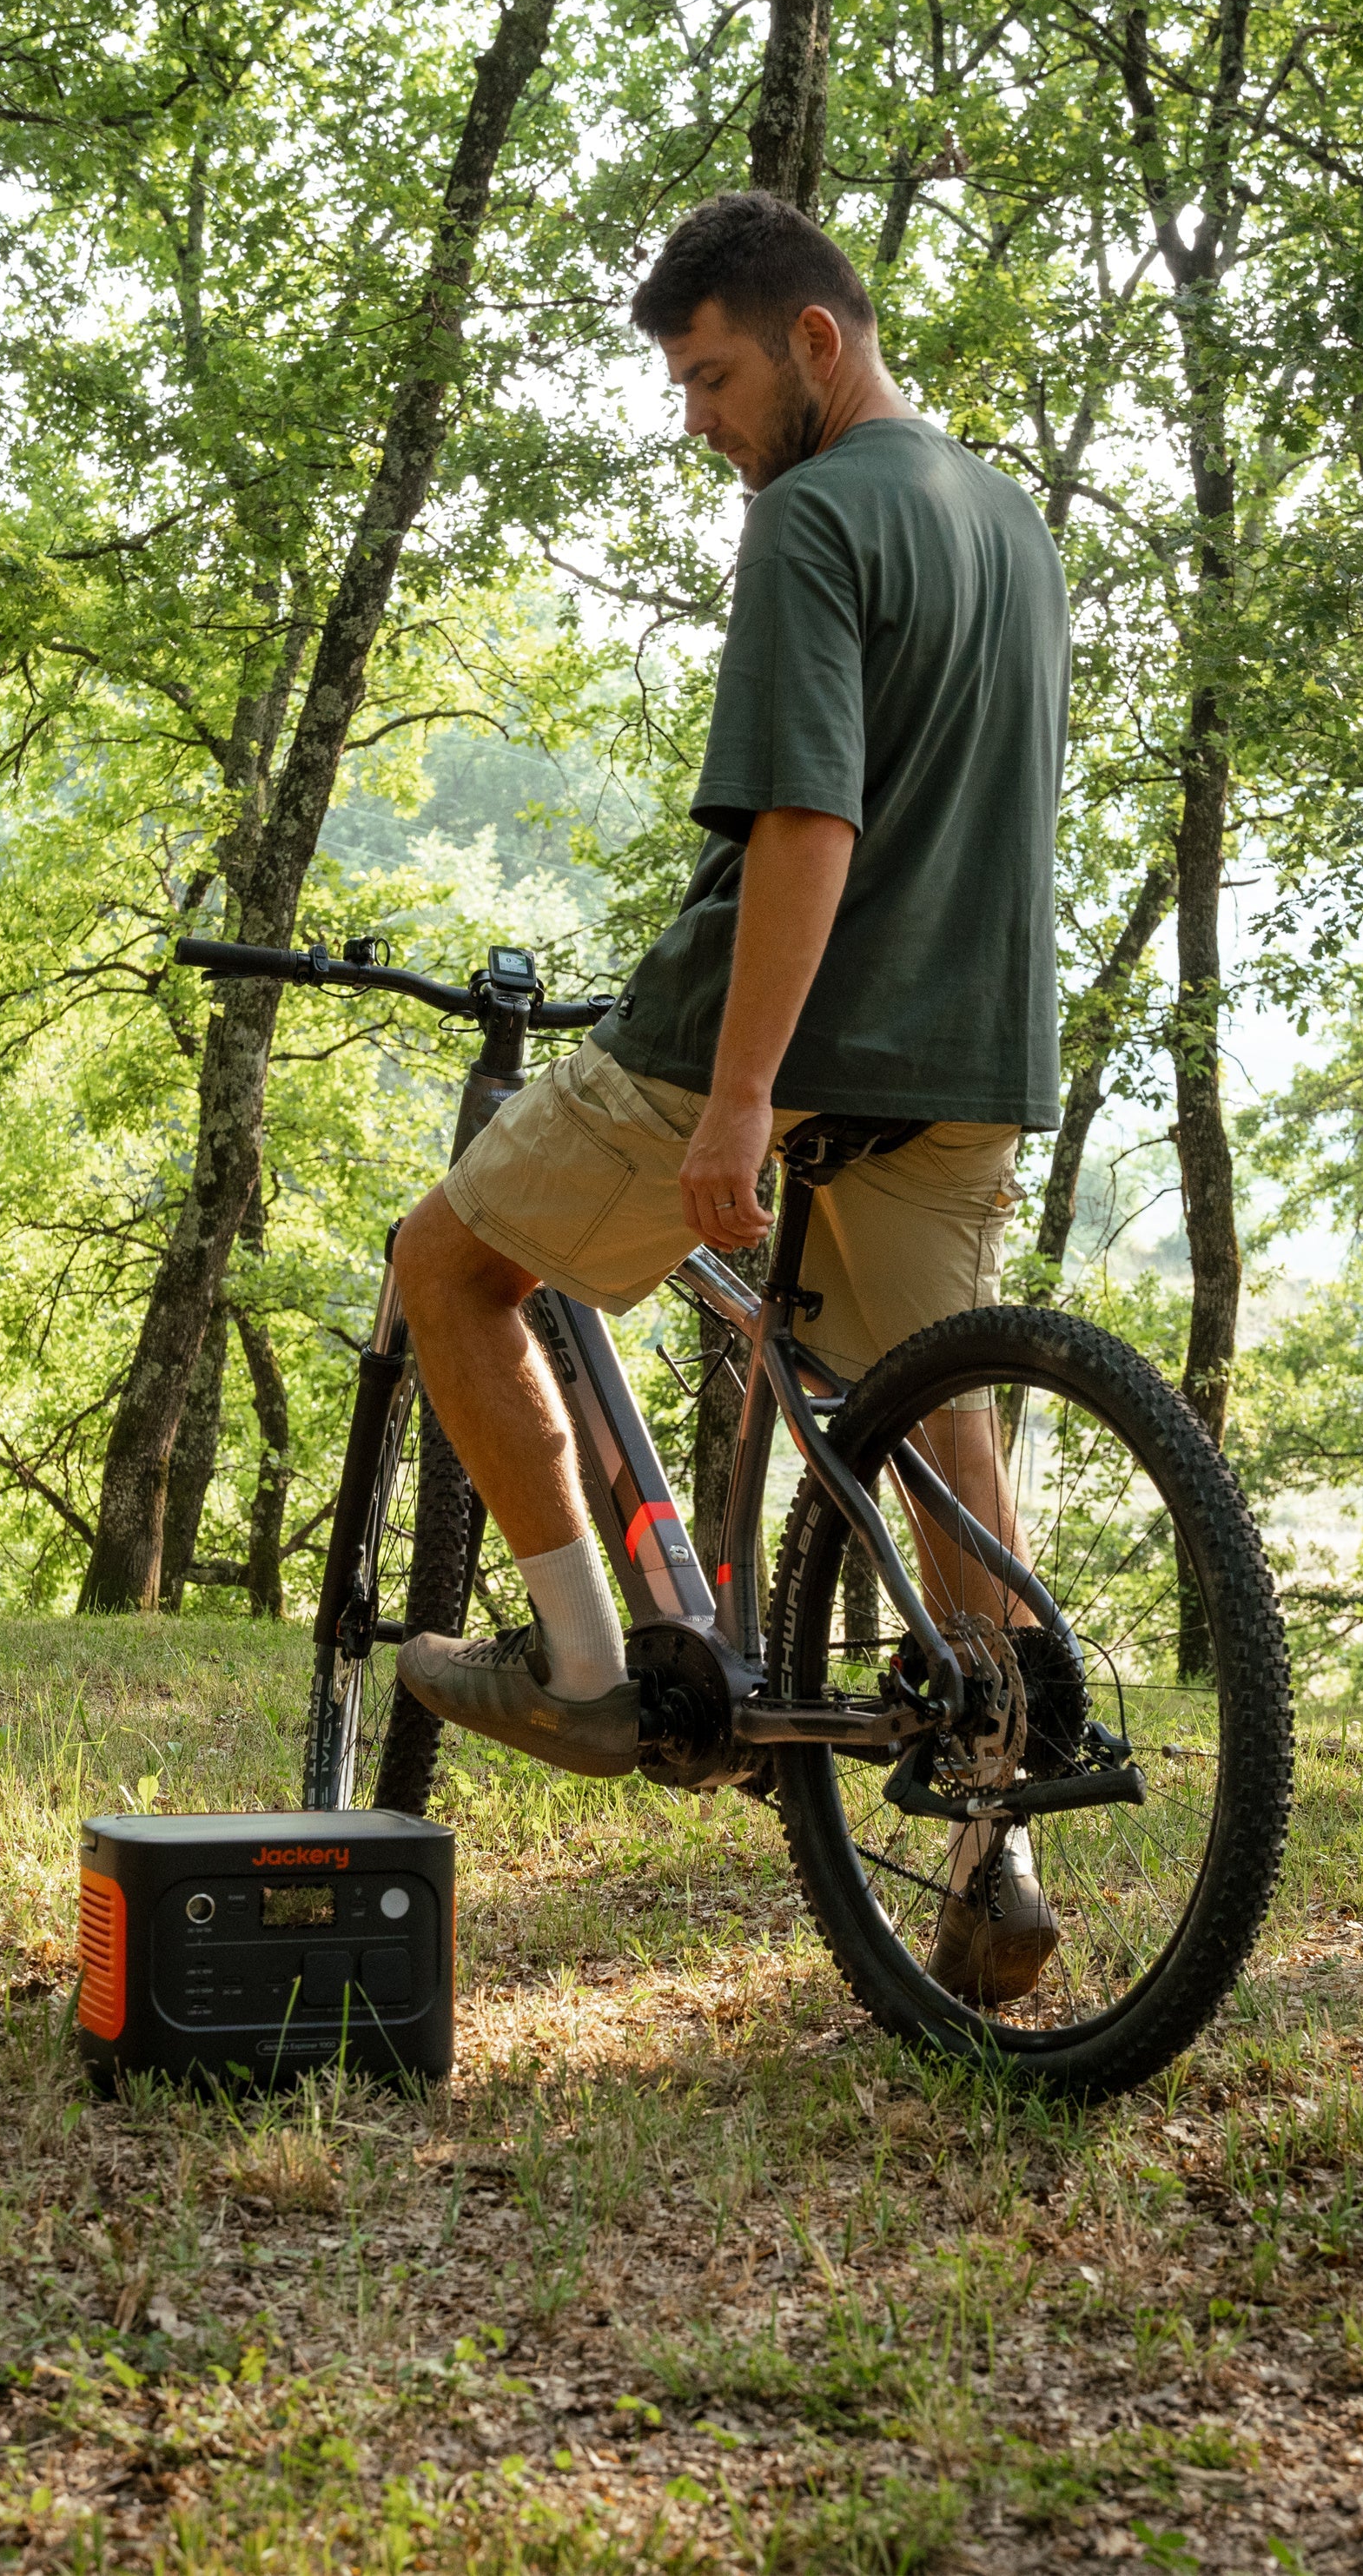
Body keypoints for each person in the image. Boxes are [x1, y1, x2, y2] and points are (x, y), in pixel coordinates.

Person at [387, 189, 1075, 2004]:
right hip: (968, 1051)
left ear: (813, 343)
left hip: (763, 1041)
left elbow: (806, 819)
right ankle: (993, 1822)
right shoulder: (1003, 518)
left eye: (709, 376)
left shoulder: (814, 513)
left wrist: (735, 1099)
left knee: (447, 1265)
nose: (696, 418)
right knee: (938, 1428)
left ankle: (585, 1670)